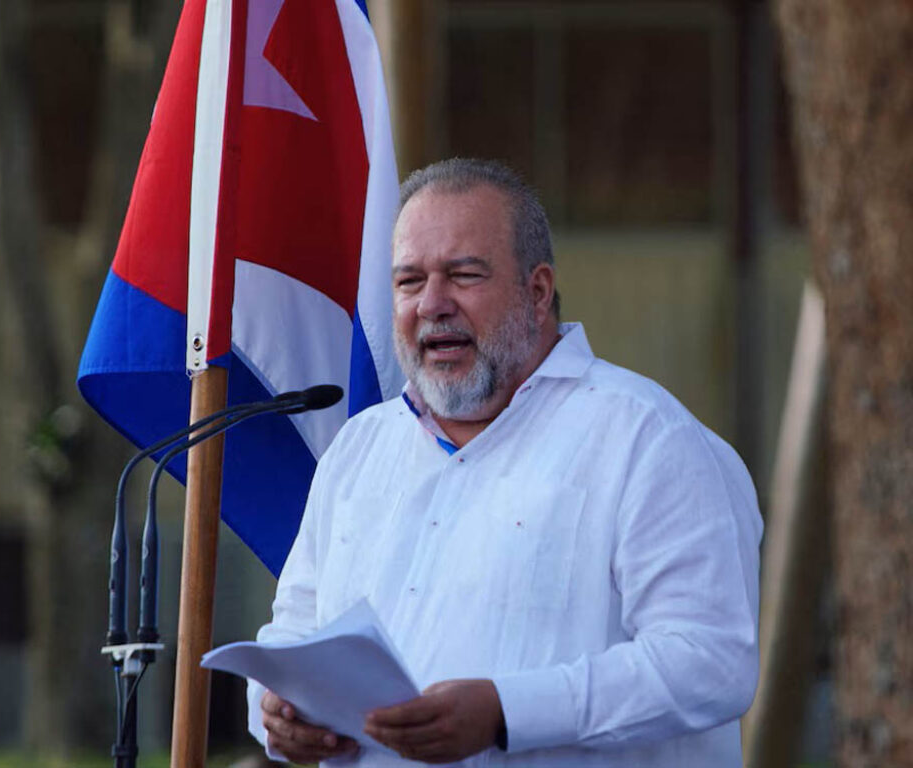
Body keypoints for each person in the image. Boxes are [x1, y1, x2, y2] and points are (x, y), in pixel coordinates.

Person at [246, 158, 762, 766]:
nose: (432, 304)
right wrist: (274, 710)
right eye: (409, 281)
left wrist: (505, 712)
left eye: (463, 275)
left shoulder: (649, 439)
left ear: (537, 291)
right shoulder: (360, 449)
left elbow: (710, 661)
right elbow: (293, 632)